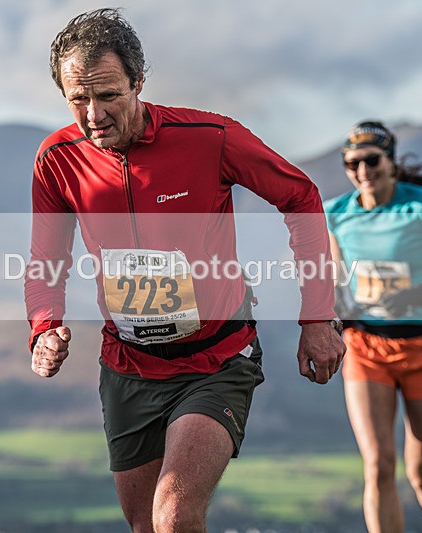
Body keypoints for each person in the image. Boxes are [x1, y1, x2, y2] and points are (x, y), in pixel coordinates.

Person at [25, 8, 345, 532]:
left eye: (108, 96)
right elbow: (46, 259)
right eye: (77, 98)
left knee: (173, 515)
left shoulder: (209, 136)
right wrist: (43, 325)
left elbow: (302, 196)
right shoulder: (57, 158)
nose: (92, 115)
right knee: (145, 527)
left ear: (138, 83)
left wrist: (317, 316)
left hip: (216, 357)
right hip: (127, 364)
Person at [325, 121, 422, 533]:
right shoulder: (335, 213)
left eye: (372, 160)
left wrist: (420, 291)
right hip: (366, 346)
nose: (363, 171)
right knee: (378, 466)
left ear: (391, 161)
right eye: (352, 163)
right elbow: (333, 276)